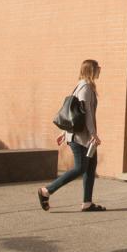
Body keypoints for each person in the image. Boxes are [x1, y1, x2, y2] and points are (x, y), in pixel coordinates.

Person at [37, 59, 105, 212]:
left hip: (84, 137)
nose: (100, 70)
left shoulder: (83, 86)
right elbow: (86, 113)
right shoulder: (85, 88)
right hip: (81, 138)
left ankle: (87, 203)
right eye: (98, 67)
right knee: (80, 168)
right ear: (91, 70)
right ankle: (46, 191)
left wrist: (64, 132)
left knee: (90, 167)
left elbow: (75, 113)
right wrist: (93, 133)